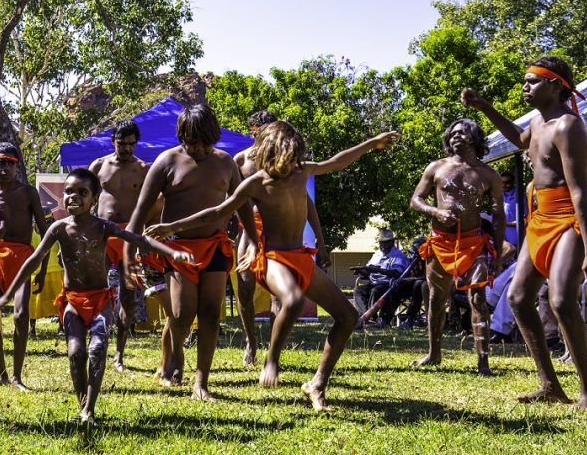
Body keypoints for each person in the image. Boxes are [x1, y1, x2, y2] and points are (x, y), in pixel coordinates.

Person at [147, 121, 399, 409]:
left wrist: (372, 143)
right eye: (287, 156)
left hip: (301, 256)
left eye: (295, 157)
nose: (293, 163)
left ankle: (317, 384)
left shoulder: (302, 171)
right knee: (291, 300)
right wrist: (172, 226)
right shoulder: (256, 183)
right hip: (273, 258)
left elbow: (337, 162)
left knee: (348, 317)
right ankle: (271, 360)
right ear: (269, 153)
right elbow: (216, 212)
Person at [0, 168, 193, 424]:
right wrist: (7, 295)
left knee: (97, 348)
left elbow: (139, 239)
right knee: (76, 352)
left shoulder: (103, 227)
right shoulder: (58, 229)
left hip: (100, 301)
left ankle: (90, 410)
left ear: (95, 199)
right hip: (73, 302)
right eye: (69, 192)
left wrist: (172, 253)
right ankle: (82, 406)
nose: (74, 197)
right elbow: (33, 261)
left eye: (82, 193)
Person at [462, 55, 587, 409]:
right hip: (541, 218)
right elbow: (520, 138)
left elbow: (579, 191)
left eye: (532, 81)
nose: (525, 87)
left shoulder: (568, 126)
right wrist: (484, 106)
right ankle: (550, 386)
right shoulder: (540, 122)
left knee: (559, 300)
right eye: (524, 81)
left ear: (556, 85)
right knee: (518, 298)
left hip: (571, 218)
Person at [124, 104, 259, 401]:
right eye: (191, 142)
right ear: (181, 136)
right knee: (182, 315)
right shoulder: (166, 161)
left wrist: (253, 238)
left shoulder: (226, 163)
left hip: (215, 247)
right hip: (177, 250)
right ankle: (174, 359)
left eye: (204, 142)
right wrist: (128, 250)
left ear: (214, 137)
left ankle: (202, 382)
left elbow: (243, 206)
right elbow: (140, 211)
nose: (197, 149)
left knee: (210, 315)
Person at [232, 110, 331, 364]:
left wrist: (320, 240)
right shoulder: (240, 161)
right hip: (249, 229)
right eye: (263, 129)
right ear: (253, 130)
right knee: (244, 288)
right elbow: (230, 203)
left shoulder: (287, 161)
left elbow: (306, 203)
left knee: (282, 294)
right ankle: (250, 343)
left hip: (279, 233)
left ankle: (273, 351)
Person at [409, 118, 504, 376]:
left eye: (462, 133)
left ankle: (483, 362)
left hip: (473, 243)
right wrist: (435, 212)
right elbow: (416, 200)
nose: (455, 137)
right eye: (452, 133)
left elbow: (497, 216)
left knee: (478, 299)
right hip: (440, 241)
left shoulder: (488, 175)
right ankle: (434, 353)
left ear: (474, 137)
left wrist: (496, 248)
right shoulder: (437, 167)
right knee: (436, 298)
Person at [88, 119, 155, 371]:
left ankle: (119, 354)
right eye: (121, 143)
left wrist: (145, 233)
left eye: (131, 144)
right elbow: (79, 199)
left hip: (129, 237)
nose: (126, 148)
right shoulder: (99, 166)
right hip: (103, 233)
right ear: (113, 141)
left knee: (128, 295)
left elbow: (154, 202)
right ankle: (95, 343)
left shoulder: (143, 169)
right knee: (96, 289)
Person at [0, 143, 47, 391]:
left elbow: (44, 231)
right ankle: (1, 374)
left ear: (17, 166)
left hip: (23, 258)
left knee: (21, 316)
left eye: (10, 163)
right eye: (0, 162)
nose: (5, 167)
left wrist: (41, 270)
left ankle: (17, 376)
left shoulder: (28, 193)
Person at [351, 229, 410, 328]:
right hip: (373, 281)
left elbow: (396, 273)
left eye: (385, 242)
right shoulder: (377, 254)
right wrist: (360, 271)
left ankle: (373, 318)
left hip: (388, 284)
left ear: (391, 242)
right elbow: (369, 270)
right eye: (380, 242)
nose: (382, 245)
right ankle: (364, 316)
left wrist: (379, 270)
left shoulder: (398, 256)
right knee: (358, 290)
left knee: (376, 290)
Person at [29, 207, 61, 337]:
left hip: (56, 270)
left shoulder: (58, 230)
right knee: (32, 303)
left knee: (59, 302)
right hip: (36, 272)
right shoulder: (30, 232)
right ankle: (32, 329)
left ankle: (61, 327)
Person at [500, 171, 521, 247]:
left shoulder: (519, 196)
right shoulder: (499, 196)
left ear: (513, 182)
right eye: (502, 182)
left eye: (507, 182)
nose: (504, 185)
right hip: (502, 240)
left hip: (515, 240)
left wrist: (506, 224)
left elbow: (525, 220)